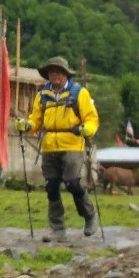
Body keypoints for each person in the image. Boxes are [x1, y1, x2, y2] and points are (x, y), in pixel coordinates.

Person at [18, 56, 97, 240]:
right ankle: (57, 229)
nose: (55, 75)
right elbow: (35, 120)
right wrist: (26, 125)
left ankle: (89, 215)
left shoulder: (79, 93)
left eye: (59, 71)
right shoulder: (42, 95)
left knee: (72, 183)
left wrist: (88, 129)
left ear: (65, 74)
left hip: (72, 143)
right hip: (49, 145)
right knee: (51, 186)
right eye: (52, 71)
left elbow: (91, 118)